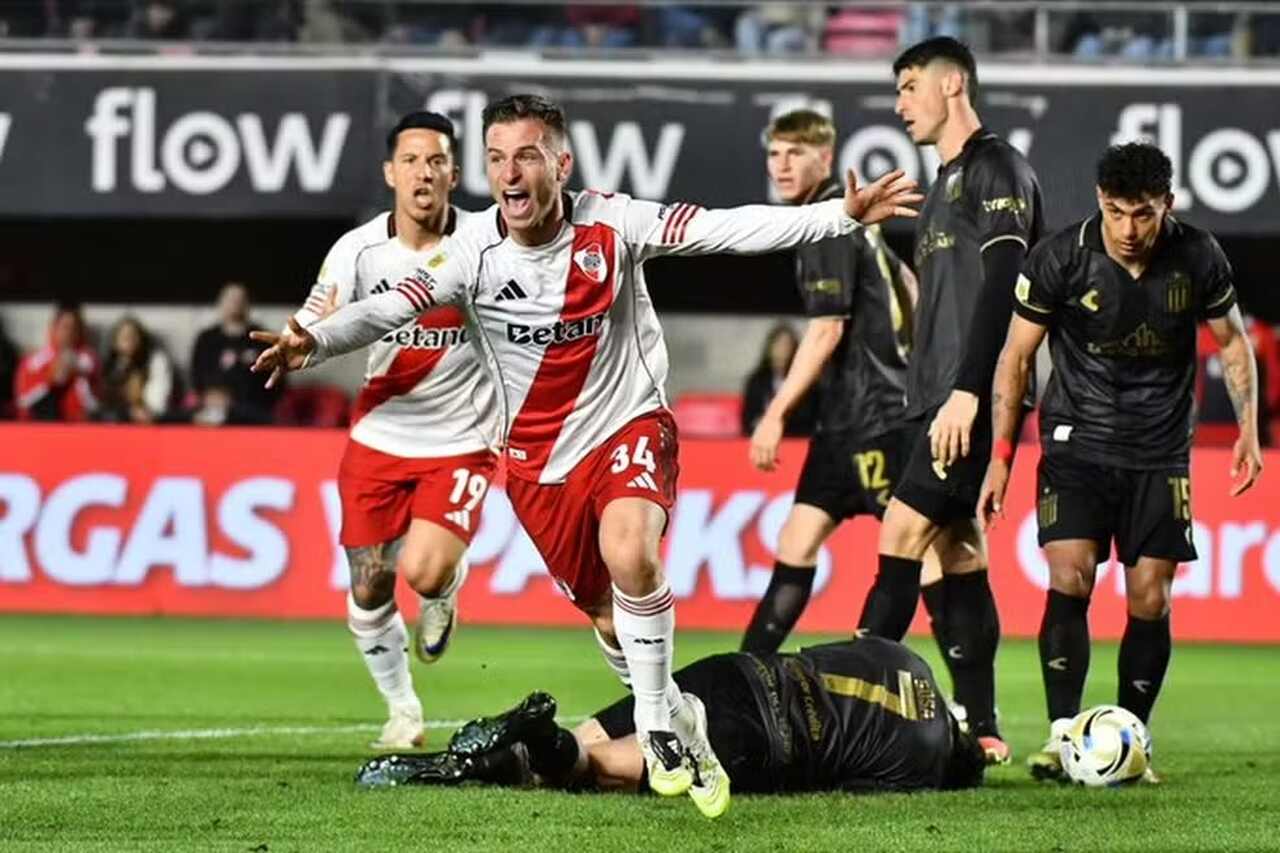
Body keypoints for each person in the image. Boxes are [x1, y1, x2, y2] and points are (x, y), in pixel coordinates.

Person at [251, 93, 921, 818]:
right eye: (497, 158)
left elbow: (724, 229)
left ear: (561, 164)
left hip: (628, 424)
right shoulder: (471, 254)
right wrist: (314, 342)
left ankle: (657, 724)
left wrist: (838, 215)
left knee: (631, 550)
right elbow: (393, 304)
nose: (510, 173)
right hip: (539, 467)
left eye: (527, 156)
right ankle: (679, 718)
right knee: (607, 617)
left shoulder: (613, 223)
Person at [977, 142, 1262, 782]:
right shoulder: (1060, 258)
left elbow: (1233, 343)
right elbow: (1015, 358)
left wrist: (1247, 430)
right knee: (1070, 575)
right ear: (1099, 201)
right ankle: (1061, 735)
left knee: (1150, 597)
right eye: (1115, 212)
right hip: (1076, 443)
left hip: (1159, 450)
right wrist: (1000, 457)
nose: (1128, 229)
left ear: (1168, 205)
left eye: (1142, 214)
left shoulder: (1199, 256)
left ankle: (1132, 741)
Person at [852, 37, 1043, 766]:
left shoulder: (996, 169)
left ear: (953, 83)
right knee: (957, 548)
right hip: (930, 394)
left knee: (901, 532)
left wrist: (968, 391)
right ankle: (984, 725)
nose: (900, 103)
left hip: (965, 395)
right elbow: (944, 298)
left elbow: (1005, 286)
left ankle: (851, 706)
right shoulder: (939, 188)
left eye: (909, 86)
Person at [282, 111, 499, 751]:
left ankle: (444, 589)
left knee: (424, 572)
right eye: (411, 161)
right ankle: (403, 711)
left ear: (454, 173)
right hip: (379, 437)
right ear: (390, 173)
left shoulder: (486, 241)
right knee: (369, 584)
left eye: (436, 161)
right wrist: (298, 343)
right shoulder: (358, 251)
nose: (423, 173)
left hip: (462, 440)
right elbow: (319, 316)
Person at [355, 636, 986, 796]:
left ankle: (458, 765)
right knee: (591, 769)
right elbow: (841, 787)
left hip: (737, 672)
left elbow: (823, 650)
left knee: (589, 735)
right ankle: (538, 736)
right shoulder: (924, 768)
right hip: (759, 738)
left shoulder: (906, 657)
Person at [741, 109, 926, 656]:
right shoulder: (849, 222)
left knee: (928, 553)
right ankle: (746, 676)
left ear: (825, 157)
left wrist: (774, 414)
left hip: (878, 418)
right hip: (845, 419)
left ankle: (951, 695)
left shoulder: (828, 221)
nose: (781, 165)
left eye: (795, 153)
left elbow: (825, 330)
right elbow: (910, 285)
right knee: (796, 542)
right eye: (774, 153)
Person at [189, 282, 280, 426]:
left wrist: (237, 401)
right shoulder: (206, 339)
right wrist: (210, 396)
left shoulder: (262, 339)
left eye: (240, 299)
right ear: (220, 303)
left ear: (248, 304)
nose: (235, 304)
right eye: (231, 299)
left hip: (252, 409)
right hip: (212, 407)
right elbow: (196, 375)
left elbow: (275, 381)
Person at [15, 303, 100, 422]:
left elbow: (94, 403)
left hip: (80, 425)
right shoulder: (35, 360)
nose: (70, 332)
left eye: (75, 328)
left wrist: (76, 372)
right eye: (65, 327)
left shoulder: (88, 358)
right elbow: (23, 401)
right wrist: (50, 379)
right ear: (54, 327)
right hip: (42, 424)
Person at [739, 323, 816, 437]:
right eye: (778, 345)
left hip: (794, 439)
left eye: (787, 345)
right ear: (770, 348)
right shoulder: (756, 381)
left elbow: (809, 419)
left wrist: (781, 423)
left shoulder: (804, 381)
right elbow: (748, 419)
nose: (783, 350)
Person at [98, 315, 174, 424]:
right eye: (124, 336)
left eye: (133, 335)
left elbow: (158, 402)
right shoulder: (110, 366)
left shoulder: (155, 361)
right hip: (117, 419)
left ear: (141, 339)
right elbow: (105, 402)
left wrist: (144, 408)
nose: (129, 340)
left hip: (150, 418)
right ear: (115, 342)